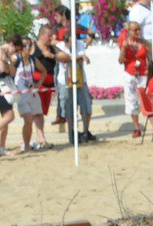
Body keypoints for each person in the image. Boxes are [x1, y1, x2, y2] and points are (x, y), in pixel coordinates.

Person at [53, 7, 97, 143]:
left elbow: (90, 34)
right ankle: (71, 131)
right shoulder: (59, 38)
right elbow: (58, 51)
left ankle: (85, 131)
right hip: (66, 77)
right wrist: (77, 58)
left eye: (57, 16)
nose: (55, 18)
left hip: (79, 77)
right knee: (67, 105)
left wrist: (86, 44)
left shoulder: (77, 34)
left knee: (86, 105)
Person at [118, 21, 150, 137]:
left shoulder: (144, 43)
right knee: (132, 101)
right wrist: (124, 49)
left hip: (143, 74)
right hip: (130, 74)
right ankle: (136, 128)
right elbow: (121, 60)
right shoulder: (125, 43)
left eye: (139, 29)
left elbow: (151, 57)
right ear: (129, 31)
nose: (138, 32)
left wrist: (150, 69)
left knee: (147, 99)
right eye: (135, 30)